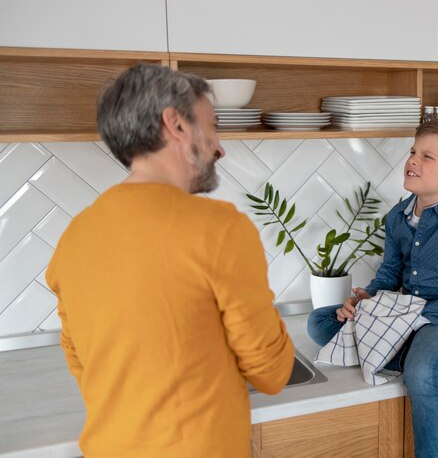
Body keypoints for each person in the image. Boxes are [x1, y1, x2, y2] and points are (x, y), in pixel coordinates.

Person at [46, 63, 294, 458]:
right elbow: (272, 372)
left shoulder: (76, 235)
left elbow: (82, 362)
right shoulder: (219, 229)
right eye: (211, 126)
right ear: (176, 125)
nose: (219, 147)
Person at [307, 119, 438, 457]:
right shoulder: (397, 216)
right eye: (413, 152)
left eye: (427, 156)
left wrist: (408, 313)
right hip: (406, 315)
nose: (412, 160)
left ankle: (417, 364)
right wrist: (363, 299)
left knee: (423, 370)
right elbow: (389, 276)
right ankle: (404, 354)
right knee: (319, 322)